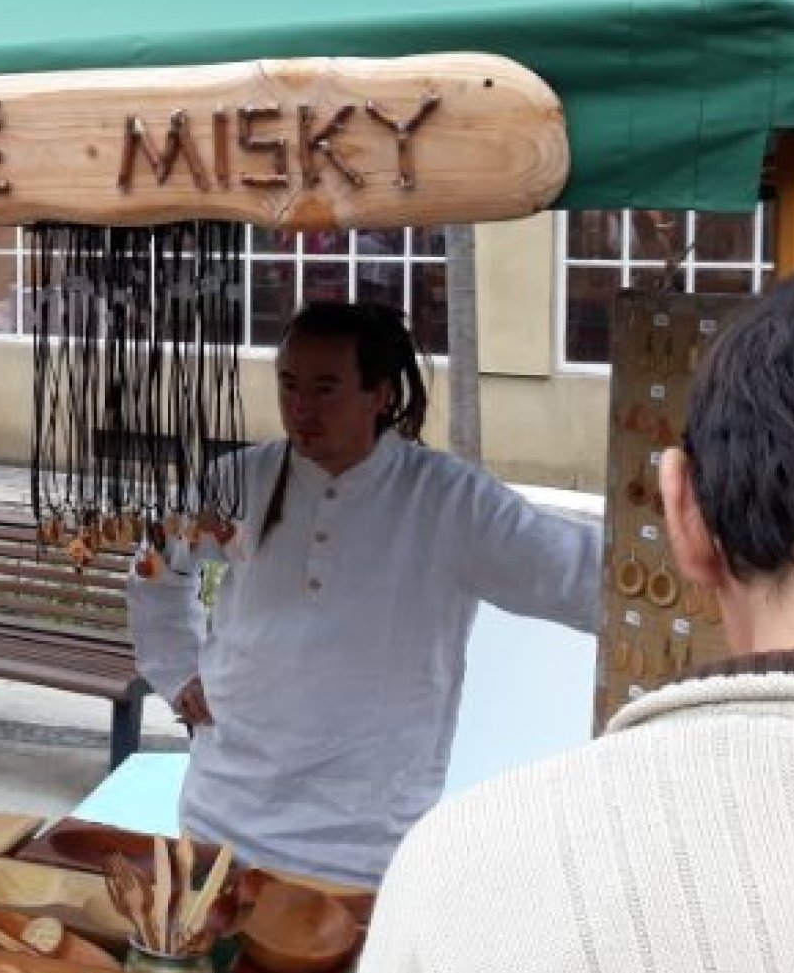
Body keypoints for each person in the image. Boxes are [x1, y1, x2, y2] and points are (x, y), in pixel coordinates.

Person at [350, 257, 794, 973]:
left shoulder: (469, 871)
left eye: (325, 386)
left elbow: (558, 568)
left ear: (683, 516)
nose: (302, 407)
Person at [126, 301, 600, 885]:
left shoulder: (448, 502)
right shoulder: (239, 482)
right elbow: (154, 569)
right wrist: (177, 671)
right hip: (222, 812)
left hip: (364, 842)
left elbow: (573, 573)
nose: (301, 408)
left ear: (380, 394)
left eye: (325, 388)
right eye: (289, 385)